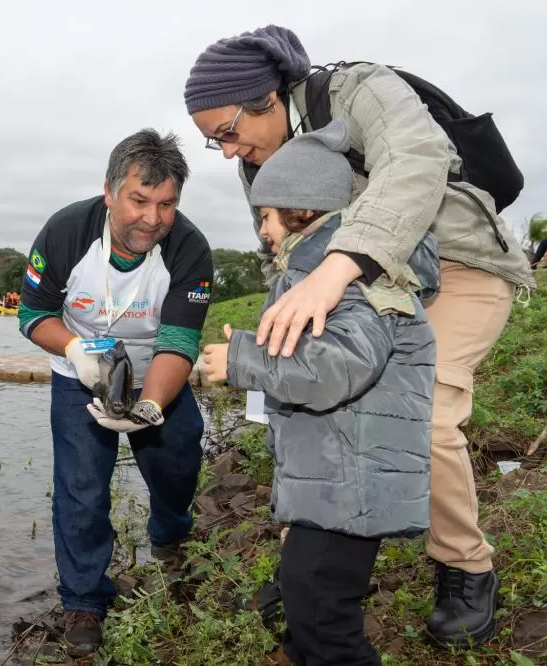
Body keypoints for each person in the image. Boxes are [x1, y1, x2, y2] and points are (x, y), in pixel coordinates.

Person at [183, 24, 536, 649]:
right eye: (215, 143)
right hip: (350, 284)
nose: (230, 151)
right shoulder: (260, 156)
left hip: (456, 266)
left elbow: (415, 161)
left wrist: (338, 268)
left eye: (229, 132)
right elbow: (284, 252)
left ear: (266, 97)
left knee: (424, 417)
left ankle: (464, 565)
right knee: (305, 407)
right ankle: (313, 566)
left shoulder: (361, 88)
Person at [202, 120, 437, 665]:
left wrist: (243, 361)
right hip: (332, 484)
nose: (262, 228)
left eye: (266, 215)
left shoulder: (350, 281)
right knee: (304, 601)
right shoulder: (311, 276)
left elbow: (343, 367)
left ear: (301, 211)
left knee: (325, 620)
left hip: (349, 487)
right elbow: (311, 357)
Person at [18, 128, 214, 657]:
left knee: (178, 456)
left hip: (157, 367)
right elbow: (32, 316)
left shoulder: (190, 248)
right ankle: (83, 597)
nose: (152, 218)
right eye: (139, 200)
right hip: (79, 369)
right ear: (109, 192)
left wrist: (150, 405)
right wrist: (79, 354)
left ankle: (170, 534)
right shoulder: (65, 231)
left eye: (167, 204)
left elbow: (178, 340)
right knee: (82, 487)